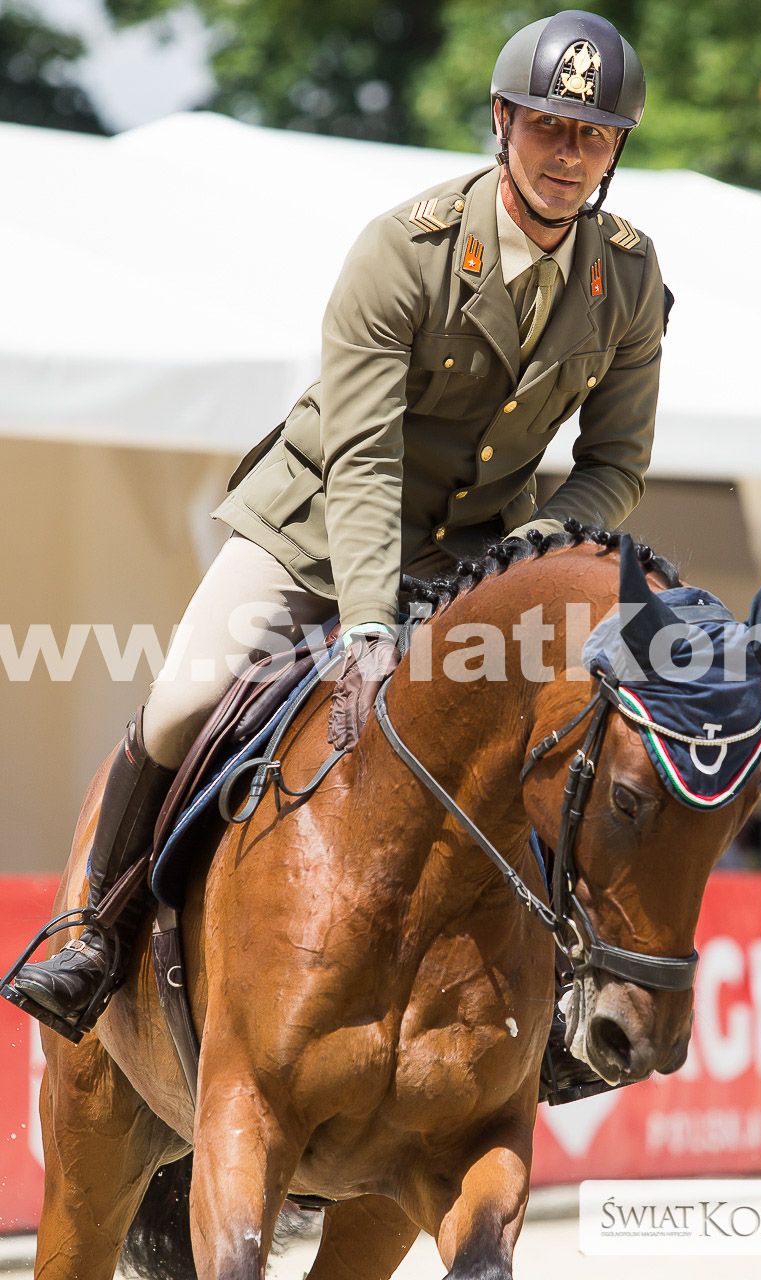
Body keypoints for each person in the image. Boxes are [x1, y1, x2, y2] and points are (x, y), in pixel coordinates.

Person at [10, 10, 668, 1064]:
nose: (568, 154)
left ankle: (555, 999)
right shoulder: (404, 249)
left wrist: (530, 556)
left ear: (615, 150)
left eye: (592, 136)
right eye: (548, 125)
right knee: (183, 696)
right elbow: (363, 456)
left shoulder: (626, 276)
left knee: (555, 740)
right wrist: (367, 617)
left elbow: (616, 464)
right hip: (314, 527)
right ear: (502, 121)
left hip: (477, 553)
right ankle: (93, 929)